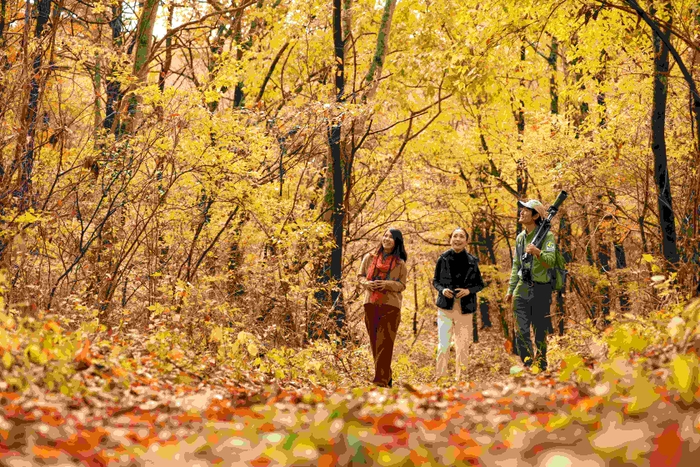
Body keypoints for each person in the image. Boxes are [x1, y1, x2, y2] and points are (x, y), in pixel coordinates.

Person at [505, 199, 556, 371]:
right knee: (521, 330)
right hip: (522, 287)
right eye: (522, 209)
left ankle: (541, 365)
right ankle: (528, 364)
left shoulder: (547, 236)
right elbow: (516, 265)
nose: (521, 212)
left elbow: (551, 261)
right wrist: (511, 289)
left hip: (541, 288)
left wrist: (537, 252)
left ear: (535, 216)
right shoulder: (520, 238)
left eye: (526, 210)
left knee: (540, 330)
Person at [357, 228, 408, 388]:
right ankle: (387, 377)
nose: (386, 239)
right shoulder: (369, 258)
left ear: (396, 242)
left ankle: (380, 382)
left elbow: (402, 285)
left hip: (390, 306)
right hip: (370, 304)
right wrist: (367, 283)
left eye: (391, 238)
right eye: (385, 236)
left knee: (385, 344)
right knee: (375, 343)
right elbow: (360, 277)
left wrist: (386, 284)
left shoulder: (400, 263)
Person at [433, 228, 485, 381]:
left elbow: (480, 285)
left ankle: (461, 381)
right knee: (443, 345)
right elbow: (435, 281)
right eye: (455, 235)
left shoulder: (472, 261)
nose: (458, 238)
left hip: (465, 309)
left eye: (461, 236)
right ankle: (440, 379)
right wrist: (442, 290)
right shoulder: (442, 259)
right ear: (451, 239)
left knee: (462, 347)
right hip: (445, 308)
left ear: (466, 241)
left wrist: (468, 291)